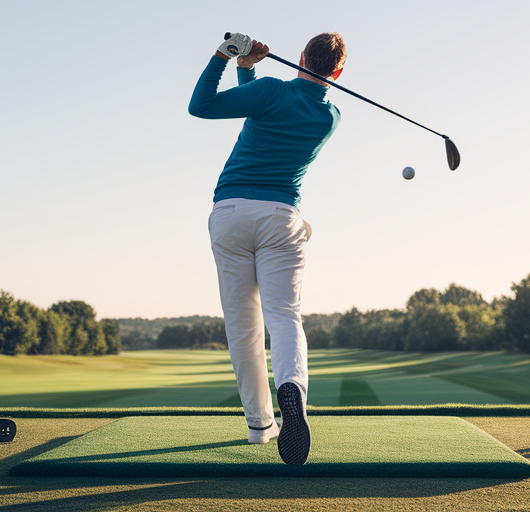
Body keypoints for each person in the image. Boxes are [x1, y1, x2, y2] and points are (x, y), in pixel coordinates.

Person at [187, 31, 345, 466]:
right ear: (338, 72)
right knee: (284, 316)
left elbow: (202, 107)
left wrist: (225, 56)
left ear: (298, 57)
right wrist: (247, 71)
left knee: (243, 325)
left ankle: (260, 425)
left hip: (232, 213)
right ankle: (291, 388)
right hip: (281, 217)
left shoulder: (271, 90)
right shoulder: (329, 116)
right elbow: (260, 109)